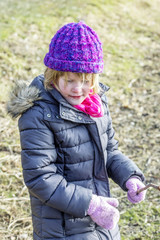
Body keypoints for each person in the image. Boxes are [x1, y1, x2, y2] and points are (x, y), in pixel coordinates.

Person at [7, 21, 146, 240]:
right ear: (54, 75)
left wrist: (130, 176)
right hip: (62, 228)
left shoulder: (96, 104)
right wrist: (91, 204)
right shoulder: (39, 114)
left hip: (101, 219)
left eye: (85, 80)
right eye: (69, 80)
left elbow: (109, 150)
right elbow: (40, 178)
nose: (77, 88)